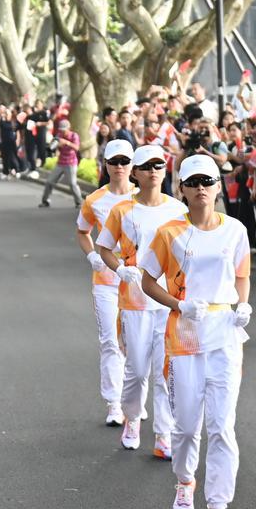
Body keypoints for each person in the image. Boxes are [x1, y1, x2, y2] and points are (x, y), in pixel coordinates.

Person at [140, 155, 250, 509]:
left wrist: (244, 305)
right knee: (187, 428)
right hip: (184, 335)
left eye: (209, 180)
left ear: (219, 186)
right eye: (194, 181)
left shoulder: (235, 229)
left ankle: (218, 506)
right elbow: (147, 280)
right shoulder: (170, 232)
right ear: (182, 189)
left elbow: (241, 276)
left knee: (223, 426)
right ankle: (185, 482)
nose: (202, 187)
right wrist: (178, 304)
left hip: (224, 336)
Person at [96, 144, 188, 458]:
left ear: (165, 170)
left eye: (158, 166)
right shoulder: (122, 210)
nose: (152, 172)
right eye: (145, 167)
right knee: (136, 371)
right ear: (135, 173)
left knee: (166, 373)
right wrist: (120, 268)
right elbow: (103, 247)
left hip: (168, 303)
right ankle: (132, 419)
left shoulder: (177, 209)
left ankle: (163, 434)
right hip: (134, 303)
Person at [75, 140, 134, 426]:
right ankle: (114, 403)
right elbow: (82, 231)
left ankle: (133, 400)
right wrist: (92, 257)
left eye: (125, 161)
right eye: (115, 162)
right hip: (106, 280)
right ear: (106, 165)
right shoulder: (94, 200)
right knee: (111, 341)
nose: (120, 166)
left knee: (137, 344)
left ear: (132, 164)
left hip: (139, 283)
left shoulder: (146, 199)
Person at [40, 119, 82, 208]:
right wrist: (55, 146)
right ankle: (45, 201)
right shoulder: (58, 136)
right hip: (60, 162)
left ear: (68, 128)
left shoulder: (74, 135)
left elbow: (77, 148)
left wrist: (67, 142)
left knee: (72, 183)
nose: (62, 132)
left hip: (71, 163)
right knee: (49, 181)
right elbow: (52, 149)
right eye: (61, 130)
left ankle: (79, 202)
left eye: (64, 130)